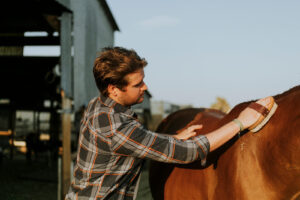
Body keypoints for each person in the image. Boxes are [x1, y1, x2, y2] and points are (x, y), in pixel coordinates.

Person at [65, 47, 274, 200]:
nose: (145, 87)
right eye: (138, 84)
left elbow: (135, 141)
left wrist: (172, 138)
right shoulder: (115, 125)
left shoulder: (99, 105)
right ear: (113, 89)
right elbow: (187, 152)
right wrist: (240, 121)